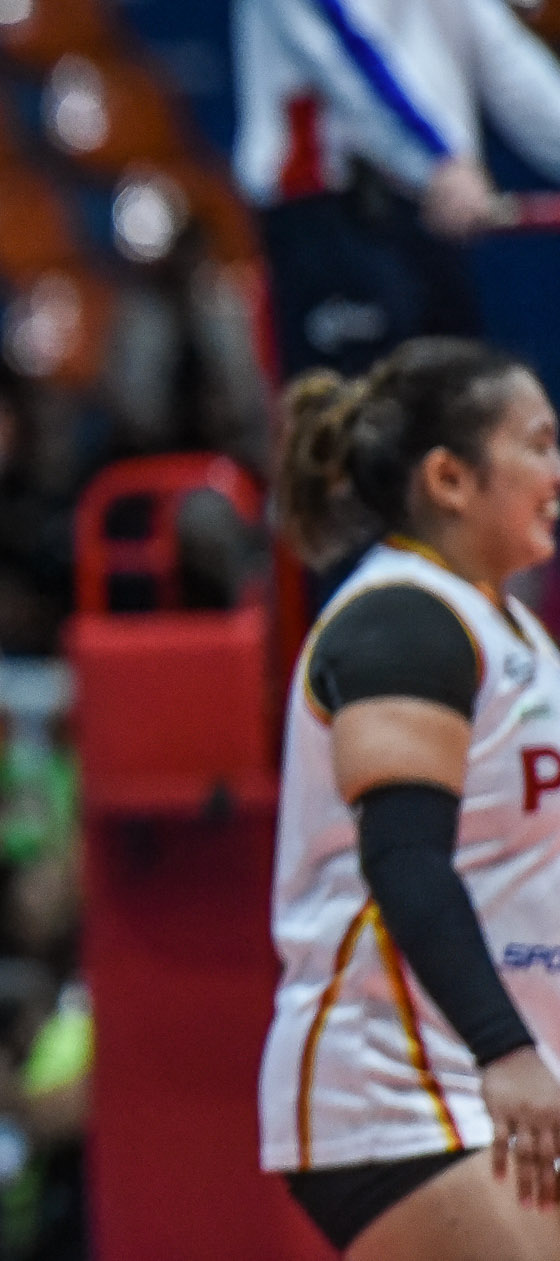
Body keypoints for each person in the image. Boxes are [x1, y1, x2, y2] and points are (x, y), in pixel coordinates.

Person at [260, 337, 560, 1259]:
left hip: (486, 1069)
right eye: (539, 443)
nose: (557, 470)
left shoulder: (507, 625)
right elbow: (405, 859)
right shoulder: (402, 620)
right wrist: (505, 1047)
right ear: (450, 478)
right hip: (398, 1083)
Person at [231, 0, 560, 380]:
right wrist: (439, 161)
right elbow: (346, 53)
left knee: (452, 407)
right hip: (332, 206)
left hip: (424, 211)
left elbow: (501, 53)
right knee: (359, 413)